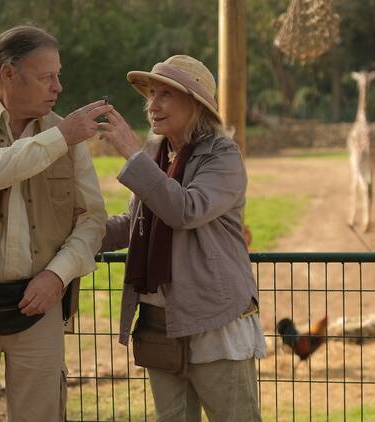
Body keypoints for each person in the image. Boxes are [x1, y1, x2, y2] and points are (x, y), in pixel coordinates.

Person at [0, 25, 107, 421]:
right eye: (47, 77)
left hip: (39, 305)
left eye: (58, 75)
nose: (58, 87)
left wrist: (58, 277)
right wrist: (61, 137)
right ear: (9, 74)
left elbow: (93, 220)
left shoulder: (65, 134)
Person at [99, 55, 265, 421]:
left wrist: (130, 154)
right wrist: (79, 230)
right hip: (161, 322)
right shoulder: (155, 155)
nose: (152, 105)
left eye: (166, 95)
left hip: (214, 320)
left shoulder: (223, 156)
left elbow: (184, 210)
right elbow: (135, 222)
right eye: (152, 94)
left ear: (195, 103)